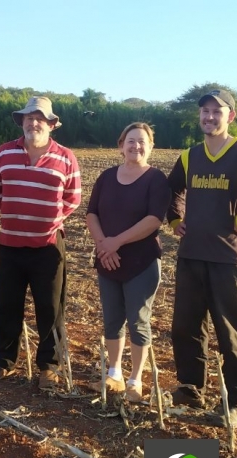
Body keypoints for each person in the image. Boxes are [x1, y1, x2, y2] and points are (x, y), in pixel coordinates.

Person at [167, 89, 237, 428]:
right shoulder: (191, 155)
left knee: (230, 331)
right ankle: (191, 386)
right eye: (204, 111)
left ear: (230, 117)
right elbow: (172, 189)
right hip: (191, 255)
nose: (209, 116)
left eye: (216, 111)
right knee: (185, 326)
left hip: (227, 258)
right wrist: (175, 219)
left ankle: (233, 400)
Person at [0, 96, 81, 389]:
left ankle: (48, 366)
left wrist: (47, 221)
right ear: (22, 122)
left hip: (48, 247)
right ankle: (4, 361)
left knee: (50, 307)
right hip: (11, 245)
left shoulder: (66, 157)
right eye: (28, 117)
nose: (33, 122)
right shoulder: (3, 154)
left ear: (51, 125)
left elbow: (73, 198)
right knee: (6, 304)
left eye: (40, 118)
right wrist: (17, 216)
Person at [85, 123, 170, 402]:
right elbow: (92, 214)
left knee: (138, 320)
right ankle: (115, 373)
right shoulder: (107, 177)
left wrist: (115, 242)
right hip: (107, 261)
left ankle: (135, 379)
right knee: (112, 320)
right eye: (131, 141)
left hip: (141, 263)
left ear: (151, 146)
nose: (136, 146)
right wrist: (103, 246)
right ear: (121, 145)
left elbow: (154, 220)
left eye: (142, 142)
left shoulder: (156, 179)